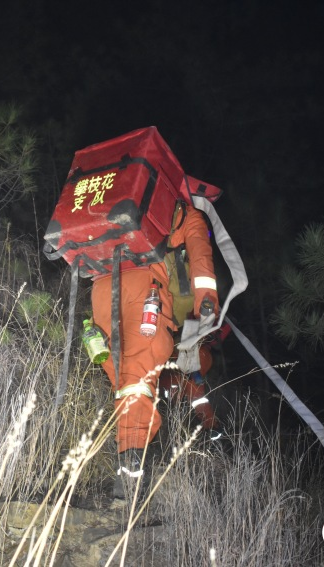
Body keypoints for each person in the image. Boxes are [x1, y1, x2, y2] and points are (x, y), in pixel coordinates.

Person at [90, 202, 218, 499]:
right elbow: (200, 254)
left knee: (124, 383)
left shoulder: (116, 195)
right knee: (136, 381)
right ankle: (131, 484)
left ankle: (127, 469)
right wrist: (206, 302)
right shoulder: (177, 209)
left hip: (101, 290)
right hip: (144, 288)